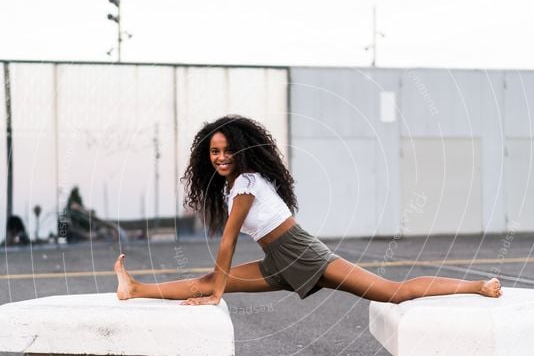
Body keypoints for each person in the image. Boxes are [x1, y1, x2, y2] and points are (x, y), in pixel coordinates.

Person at [115, 115, 502, 305]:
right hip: (277, 260)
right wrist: (216, 285)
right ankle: (135, 288)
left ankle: (477, 286)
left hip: (302, 252)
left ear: (242, 149)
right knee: (205, 280)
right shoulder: (233, 187)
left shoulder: (246, 184)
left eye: (227, 150)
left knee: (393, 292)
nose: (220, 157)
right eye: (214, 152)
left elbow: (230, 239)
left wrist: (219, 292)